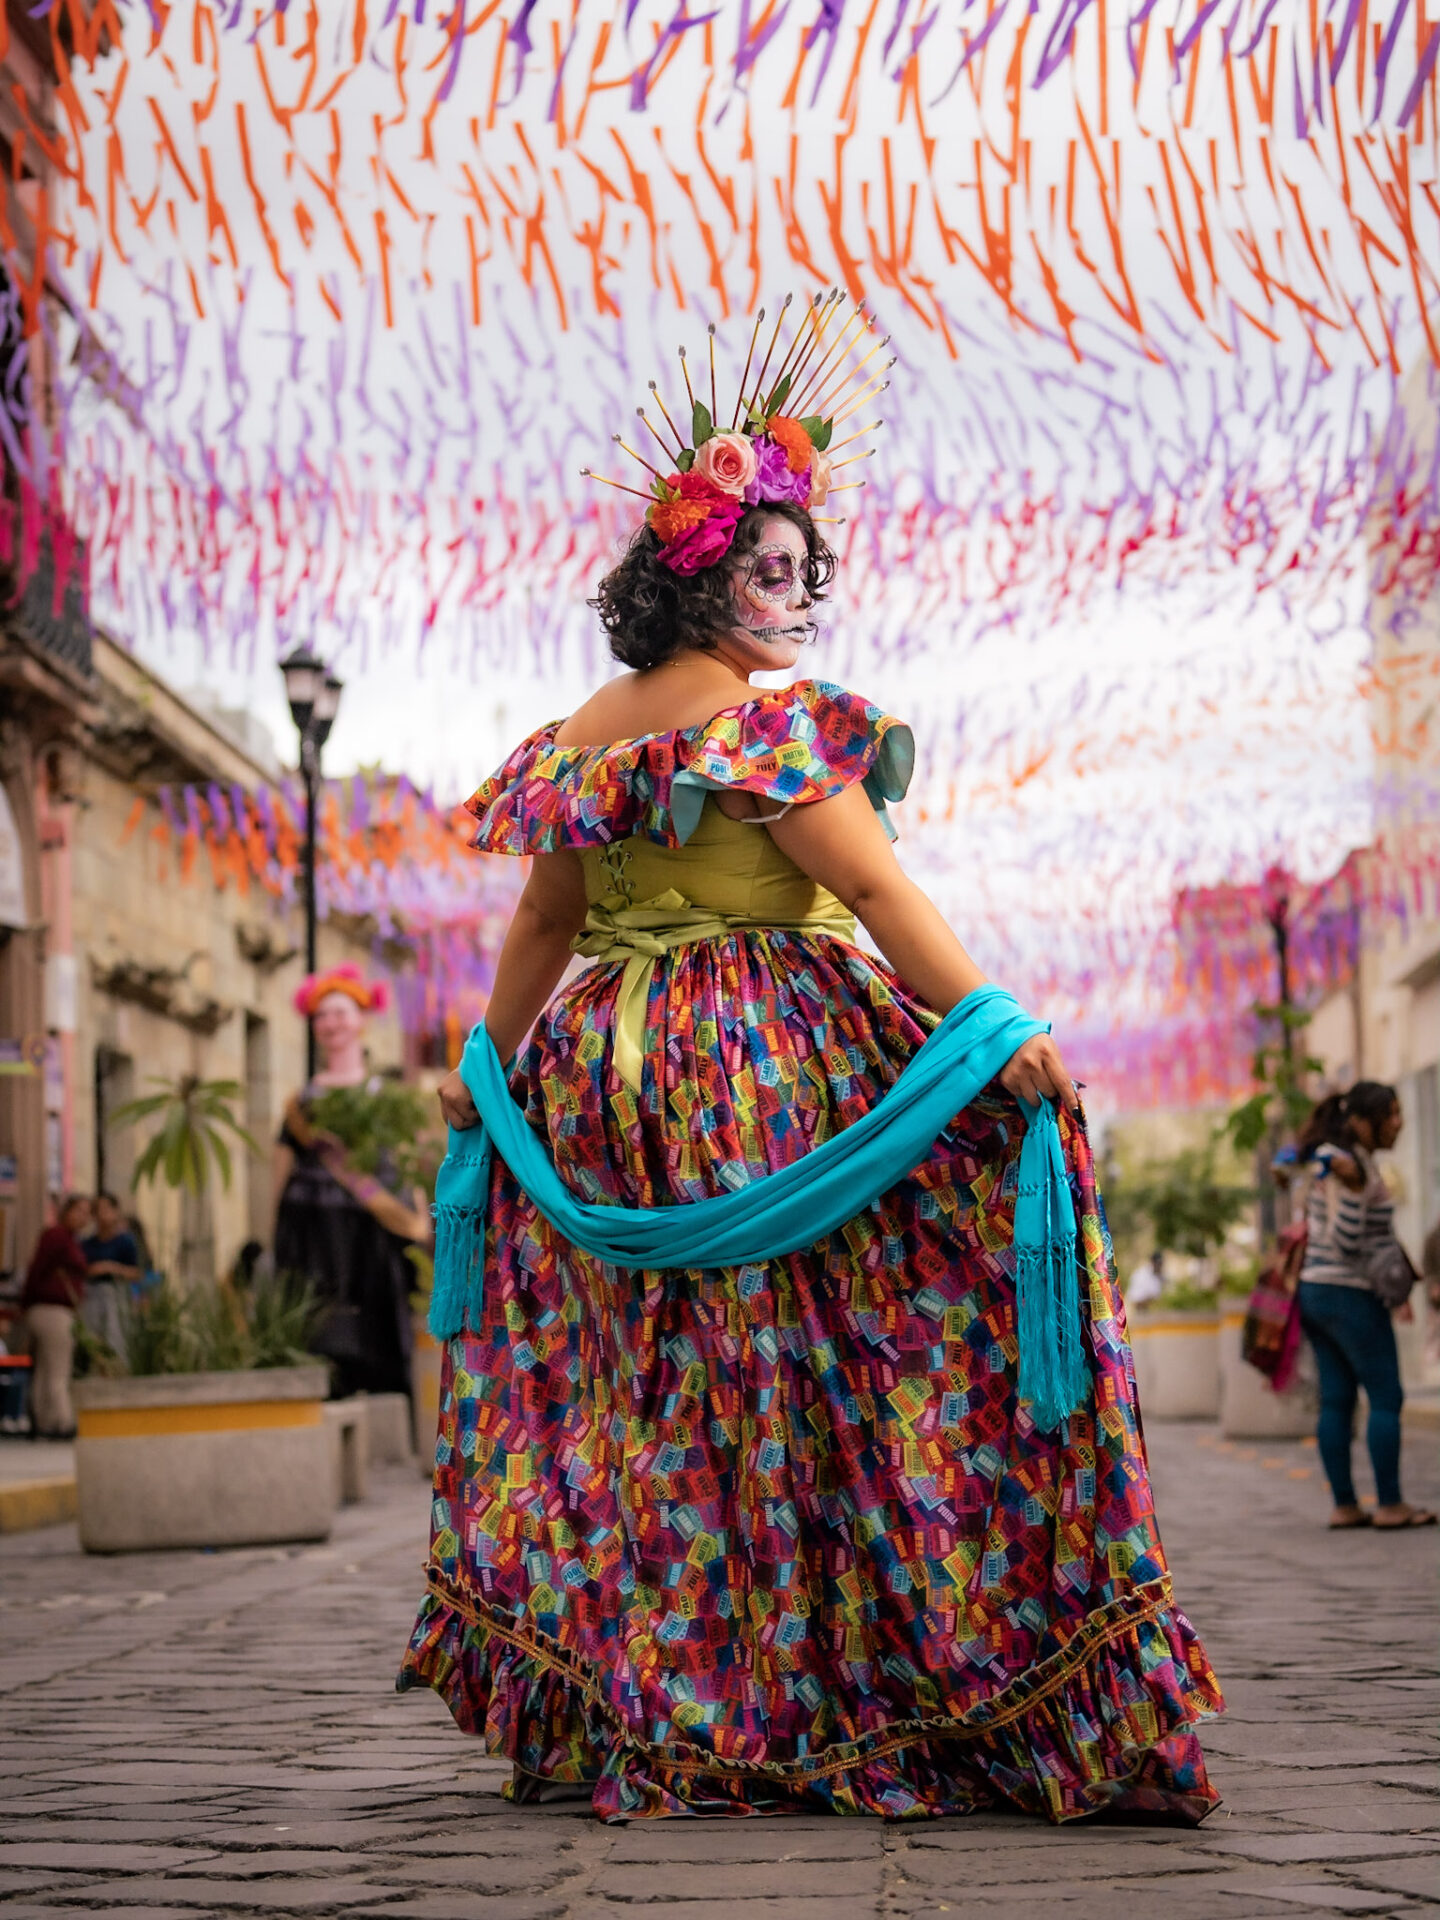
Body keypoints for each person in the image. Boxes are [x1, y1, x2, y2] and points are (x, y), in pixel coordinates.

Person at [398, 305, 1221, 1824]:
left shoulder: (580, 739)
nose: (797, 593)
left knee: (650, 1396)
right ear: (697, 573)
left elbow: (541, 922)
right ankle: (859, 1686)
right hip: (760, 1068)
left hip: (597, 1089)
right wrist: (1009, 1037)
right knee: (829, 1361)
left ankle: (643, 1695)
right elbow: (892, 900)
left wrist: (485, 1072)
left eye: (805, 568)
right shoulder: (761, 732)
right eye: (769, 568)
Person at [274, 964, 424, 1399]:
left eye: (340, 1012)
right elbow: (282, 1165)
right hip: (310, 1224)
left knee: (374, 1309)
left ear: (361, 1019)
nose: (331, 1023)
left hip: (370, 1228)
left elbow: (401, 1163)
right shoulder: (300, 1103)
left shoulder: (384, 1097)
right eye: (322, 1015)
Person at [1295, 1083, 1434, 1531]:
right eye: (1390, 1114)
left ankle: (1345, 1504)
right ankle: (1390, 1504)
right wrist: (1356, 1189)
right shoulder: (1348, 1164)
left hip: (1315, 1291)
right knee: (1386, 1396)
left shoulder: (1342, 1157)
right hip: (1348, 1294)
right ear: (1361, 1120)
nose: (1398, 1122)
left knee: (1336, 1398)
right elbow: (1346, 1238)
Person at [21, 1194, 92, 1439]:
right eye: (79, 1211)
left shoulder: (72, 1240)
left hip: (54, 1310)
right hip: (51, 1310)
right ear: (67, 1211)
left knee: (45, 1369)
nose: (83, 1217)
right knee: (59, 1369)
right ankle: (62, 1421)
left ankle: (43, 1421)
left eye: (87, 1212)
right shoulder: (56, 1236)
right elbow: (36, 1270)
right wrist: (25, 1303)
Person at [81, 1191, 141, 1363]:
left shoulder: (125, 1241)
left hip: (116, 1295)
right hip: (91, 1296)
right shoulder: (87, 1244)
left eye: (106, 1209)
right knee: (92, 1338)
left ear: (116, 1211)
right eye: (97, 1210)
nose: (102, 1214)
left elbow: (137, 1273)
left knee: (116, 1338)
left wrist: (111, 1268)